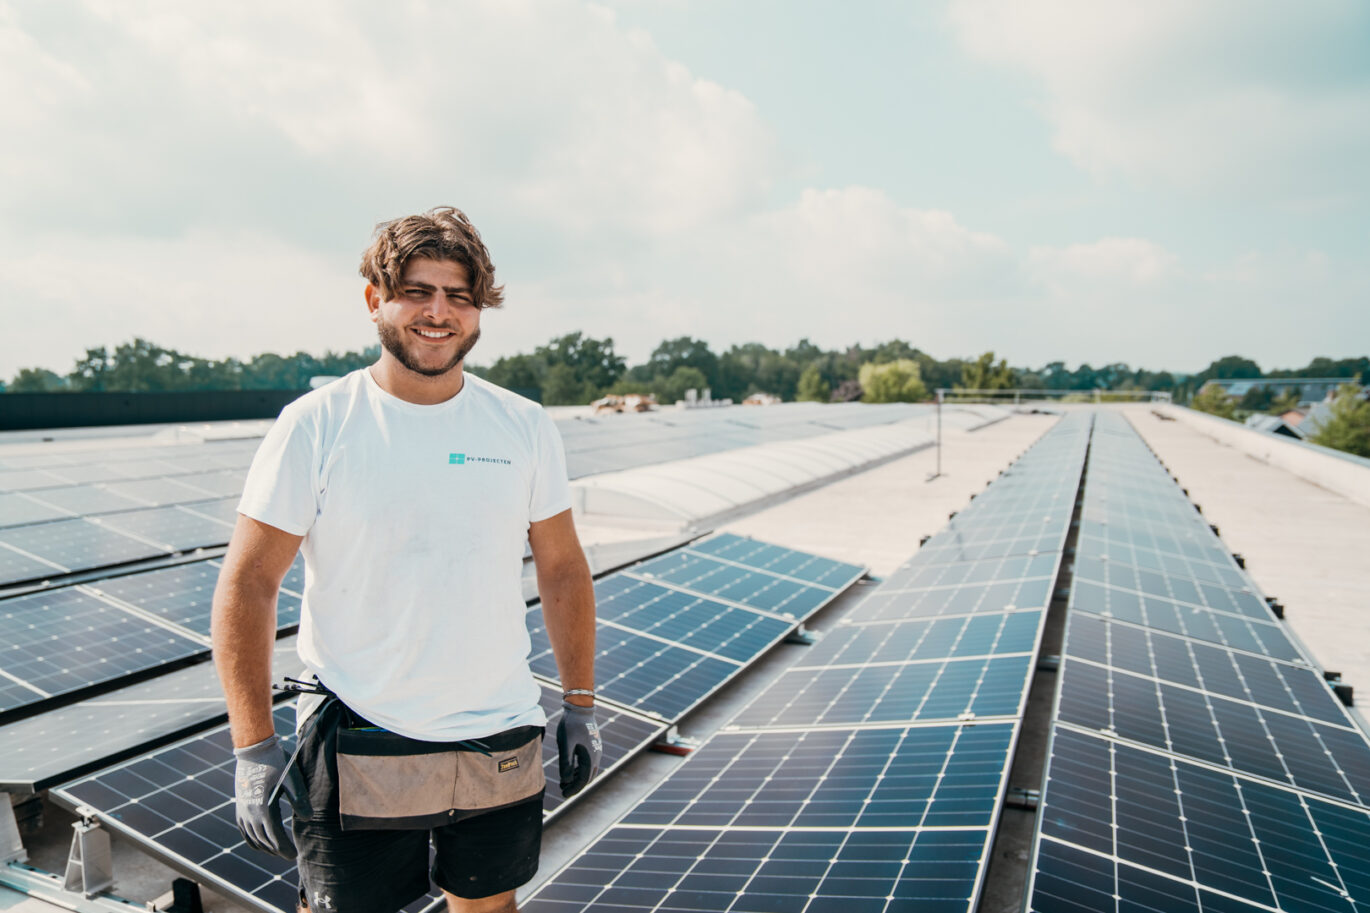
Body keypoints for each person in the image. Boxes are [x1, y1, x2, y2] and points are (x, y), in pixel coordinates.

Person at [211, 206, 600, 913]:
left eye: (459, 296)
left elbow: (564, 569)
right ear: (374, 301)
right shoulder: (318, 424)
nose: (438, 312)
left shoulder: (522, 425)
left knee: (489, 906)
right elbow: (249, 582)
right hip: (358, 729)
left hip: (498, 731)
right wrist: (252, 747)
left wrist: (579, 703)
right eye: (417, 292)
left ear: (479, 310)